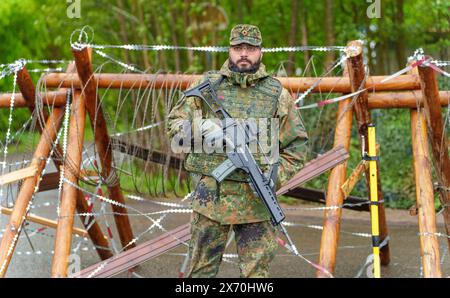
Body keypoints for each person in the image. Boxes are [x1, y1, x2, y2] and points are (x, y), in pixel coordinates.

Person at [168, 24, 308, 278]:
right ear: (230, 50)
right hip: (211, 200)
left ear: (261, 52)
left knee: (256, 276)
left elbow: (297, 146)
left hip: (257, 203)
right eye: (238, 48)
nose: (244, 53)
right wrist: (207, 128)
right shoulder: (206, 85)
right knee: (200, 273)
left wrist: (275, 178)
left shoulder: (278, 94)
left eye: (251, 48)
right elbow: (175, 129)